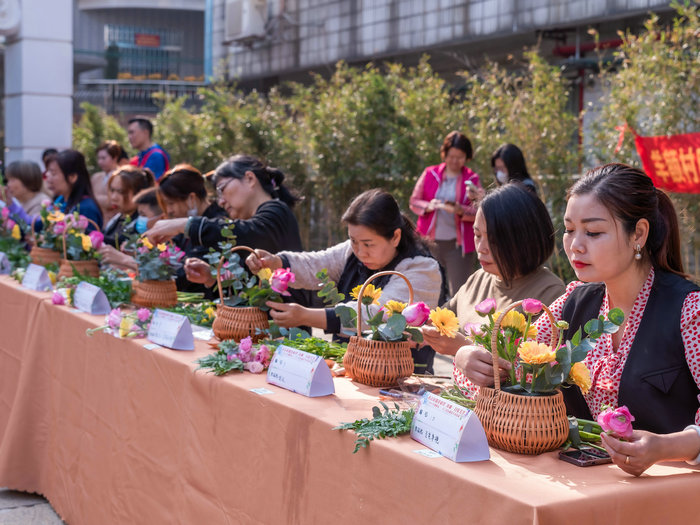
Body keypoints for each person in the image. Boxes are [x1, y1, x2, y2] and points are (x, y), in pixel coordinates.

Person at [456, 163, 700, 477]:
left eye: (594, 232)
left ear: (638, 233)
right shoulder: (574, 302)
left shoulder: (688, 309)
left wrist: (667, 447)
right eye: (570, 230)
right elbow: (509, 369)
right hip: (589, 490)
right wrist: (466, 357)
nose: (575, 245)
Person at [245, 189, 444, 373]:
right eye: (354, 241)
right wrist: (276, 261)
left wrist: (306, 316)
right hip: (352, 368)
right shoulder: (351, 252)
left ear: (395, 237)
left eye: (368, 244)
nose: (360, 251)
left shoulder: (422, 269)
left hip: (402, 378)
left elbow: (377, 315)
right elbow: (317, 263)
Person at [422, 182, 565, 359]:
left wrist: (463, 348)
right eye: (477, 235)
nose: (481, 248)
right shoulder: (479, 279)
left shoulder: (551, 293)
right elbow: (443, 320)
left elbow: (528, 372)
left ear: (525, 239)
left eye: (494, 240)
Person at [145, 154, 303, 256]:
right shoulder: (260, 217)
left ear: (249, 179)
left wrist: (186, 225)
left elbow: (245, 232)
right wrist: (209, 278)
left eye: (222, 189)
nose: (220, 201)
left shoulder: (276, 210)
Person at [410, 131, 482, 297]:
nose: (455, 161)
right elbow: (414, 201)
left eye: (460, 157)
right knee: (431, 291)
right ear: (444, 154)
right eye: (451, 156)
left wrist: (460, 210)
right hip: (429, 243)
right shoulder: (430, 173)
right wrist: (429, 206)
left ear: (467, 157)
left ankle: (460, 323)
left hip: (458, 247)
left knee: (460, 292)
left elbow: (480, 209)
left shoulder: (472, 178)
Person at [98, 187, 163, 271]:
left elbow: (159, 271)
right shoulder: (145, 239)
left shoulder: (170, 243)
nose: (140, 219)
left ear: (162, 217)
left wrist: (124, 259)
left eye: (143, 215)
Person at [45, 150, 103, 231]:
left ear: (72, 177)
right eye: (48, 172)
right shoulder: (60, 201)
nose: (48, 177)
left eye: (53, 173)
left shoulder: (86, 209)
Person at [101, 165, 155, 247]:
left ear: (139, 194)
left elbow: (120, 245)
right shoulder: (118, 217)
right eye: (112, 190)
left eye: (121, 192)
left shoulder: (143, 224)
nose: (114, 197)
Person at [92, 140, 125, 223]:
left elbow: (116, 202)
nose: (100, 162)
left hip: (114, 222)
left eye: (103, 158)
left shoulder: (122, 176)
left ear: (115, 158)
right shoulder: (96, 177)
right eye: (99, 158)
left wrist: (94, 198)